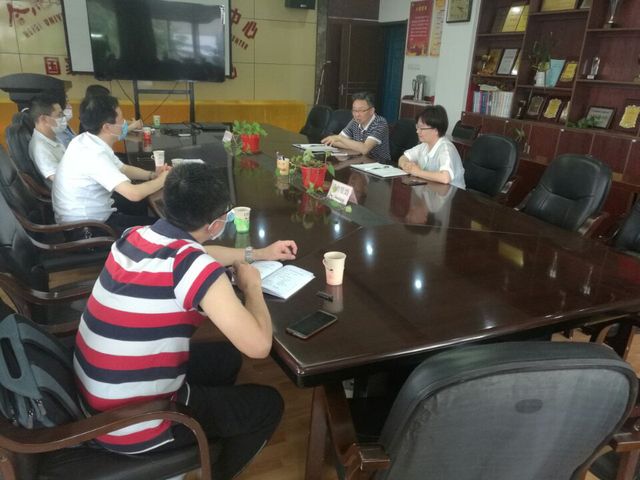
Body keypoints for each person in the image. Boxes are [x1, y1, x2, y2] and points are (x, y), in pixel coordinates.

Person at [73, 163, 294, 479]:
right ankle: (212, 466)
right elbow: (259, 347)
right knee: (267, 405)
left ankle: (206, 437)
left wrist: (257, 254)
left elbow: (201, 252)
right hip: (132, 424)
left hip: (96, 397)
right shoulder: (193, 267)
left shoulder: (133, 236)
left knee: (226, 357)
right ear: (216, 224)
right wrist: (252, 287)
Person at [52, 94, 169, 234]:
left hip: (91, 219)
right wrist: (164, 179)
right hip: (88, 230)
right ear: (107, 127)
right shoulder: (93, 154)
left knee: (148, 213)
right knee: (167, 229)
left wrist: (152, 175)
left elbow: (122, 168)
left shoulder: (85, 140)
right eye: (121, 120)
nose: (125, 123)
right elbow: (134, 194)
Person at [398, 105, 466, 189]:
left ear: (436, 130)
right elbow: (403, 157)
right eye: (417, 127)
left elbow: (445, 178)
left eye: (422, 128)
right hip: (432, 190)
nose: (417, 131)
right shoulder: (424, 145)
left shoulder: (446, 149)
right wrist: (406, 165)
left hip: (453, 194)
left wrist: (417, 172)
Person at [321, 92, 391, 163]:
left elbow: (365, 149)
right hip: (359, 162)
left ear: (371, 111)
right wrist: (357, 147)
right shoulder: (355, 122)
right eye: (354, 110)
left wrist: (340, 139)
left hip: (380, 165)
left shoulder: (380, 123)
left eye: (361, 110)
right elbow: (335, 142)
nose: (357, 114)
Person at [27, 94, 67, 183]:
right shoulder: (40, 149)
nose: (63, 118)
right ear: (43, 119)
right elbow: (61, 181)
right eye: (59, 115)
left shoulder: (52, 137)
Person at [79, 84, 143, 133]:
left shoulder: (93, 114)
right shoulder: (93, 120)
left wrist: (131, 123)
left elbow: (116, 122)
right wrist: (133, 126)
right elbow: (114, 132)